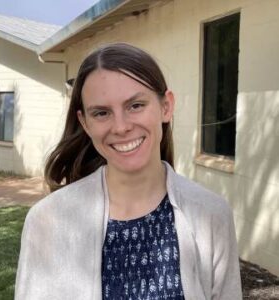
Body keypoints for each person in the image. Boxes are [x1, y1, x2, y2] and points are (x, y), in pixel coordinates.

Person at [15, 43, 242, 300]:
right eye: (101, 113)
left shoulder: (211, 214)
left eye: (135, 105)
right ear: (85, 123)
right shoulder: (48, 221)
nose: (121, 127)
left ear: (166, 107)